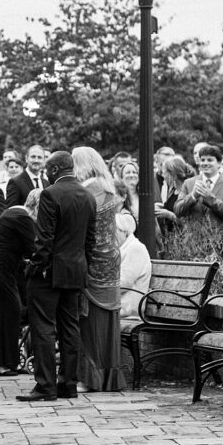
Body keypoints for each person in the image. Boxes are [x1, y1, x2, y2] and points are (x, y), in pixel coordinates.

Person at [16, 151, 95, 402]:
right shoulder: (88, 195)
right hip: (76, 271)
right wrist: (84, 266)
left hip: (49, 273)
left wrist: (35, 267)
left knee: (44, 329)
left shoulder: (51, 194)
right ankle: (68, 384)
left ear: (53, 171)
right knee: (70, 329)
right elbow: (90, 240)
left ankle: (45, 385)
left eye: (47, 171)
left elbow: (45, 238)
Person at [71, 147, 126, 393]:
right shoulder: (108, 187)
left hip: (94, 260)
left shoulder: (89, 190)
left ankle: (91, 377)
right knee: (107, 321)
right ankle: (108, 376)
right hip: (111, 257)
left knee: (90, 319)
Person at [0, 188, 40, 377]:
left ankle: (1, 362)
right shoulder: (23, 218)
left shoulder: (14, 211)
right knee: (9, 310)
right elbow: (34, 248)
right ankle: (2, 363)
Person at [113, 180, 151, 319]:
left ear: (124, 232)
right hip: (115, 306)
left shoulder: (135, 248)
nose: (109, 237)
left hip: (127, 310)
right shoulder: (121, 248)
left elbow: (123, 284)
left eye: (113, 232)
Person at [174, 145, 223, 225]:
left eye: (210, 160)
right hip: (192, 235)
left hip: (218, 236)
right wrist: (192, 196)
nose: (205, 163)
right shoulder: (188, 183)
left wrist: (210, 198)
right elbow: (177, 210)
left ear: (219, 163)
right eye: (203, 160)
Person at [154, 155, 191, 237]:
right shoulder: (173, 190)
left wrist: (169, 215)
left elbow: (189, 223)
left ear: (172, 175)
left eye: (164, 173)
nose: (163, 176)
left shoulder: (187, 192)